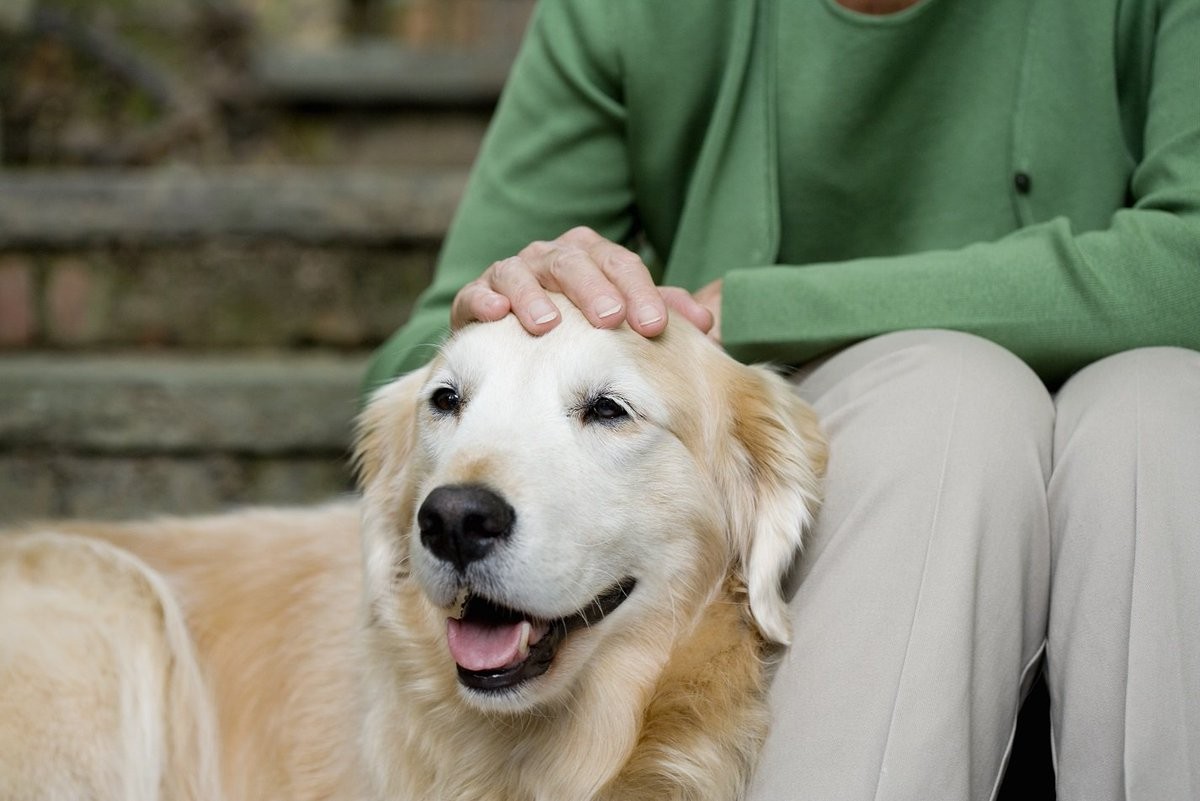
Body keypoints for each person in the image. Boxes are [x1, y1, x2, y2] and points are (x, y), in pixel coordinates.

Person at [364, 0, 1200, 798]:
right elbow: (417, 360)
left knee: (1163, 409)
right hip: (867, 471)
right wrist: (505, 300)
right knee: (954, 406)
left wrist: (753, 308)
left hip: (1134, 482)